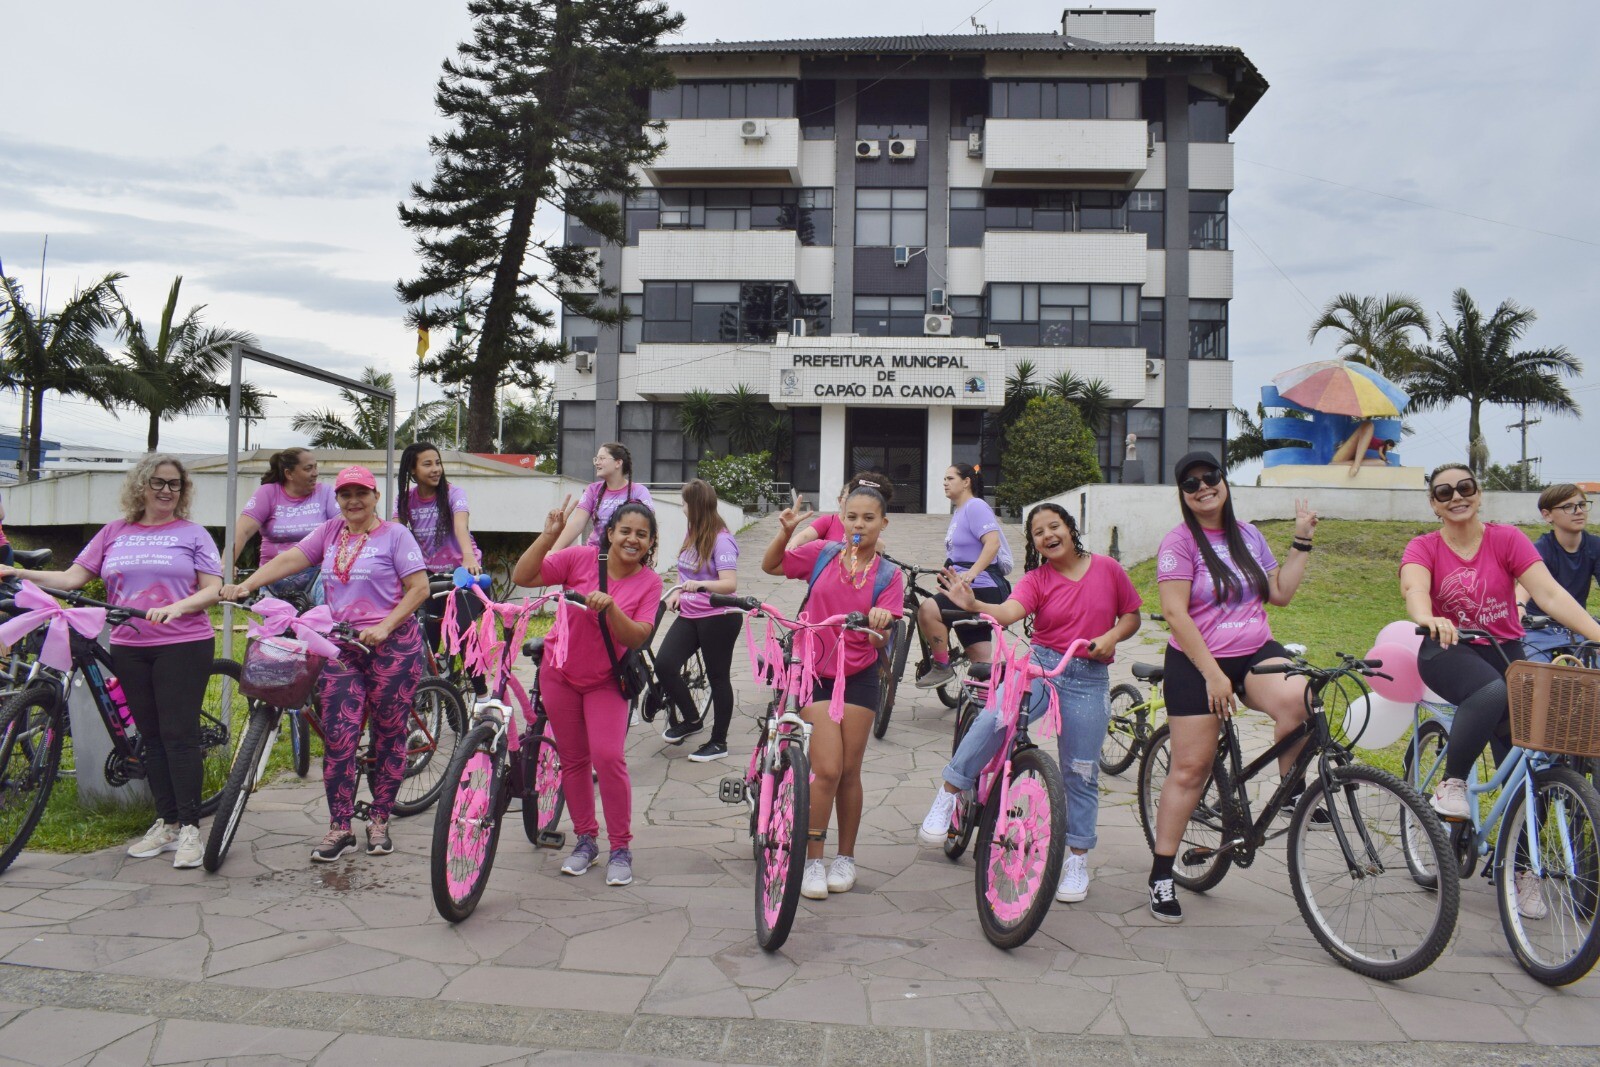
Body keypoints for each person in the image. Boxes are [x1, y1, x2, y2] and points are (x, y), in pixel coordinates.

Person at [2, 455, 222, 869]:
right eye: (158, 482)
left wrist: (178, 607)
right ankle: (168, 822)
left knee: (178, 735)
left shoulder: (193, 534)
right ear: (141, 485)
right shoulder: (114, 532)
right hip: (128, 643)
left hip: (183, 642)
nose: (167, 491)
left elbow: (213, 588)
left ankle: (192, 828)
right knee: (152, 737)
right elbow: (72, 578)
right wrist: (15, 573)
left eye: (175, 485)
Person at [920, 503, 1140, 903]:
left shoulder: (1108, 569)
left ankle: (1076, 859)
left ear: (1070, 529)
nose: (1048, 535)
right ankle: (950, 791)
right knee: (995, 717)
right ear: (1035, 543)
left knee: (1081, 771)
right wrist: (974, 605)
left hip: (1089, 677)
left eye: (1054, 526)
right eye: (1039, 532)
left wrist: (1112, 637)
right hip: (1041, 665)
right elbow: (1009, 611)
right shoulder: (1038, 578)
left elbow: (1131, 616)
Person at [222, 465, 429, 862]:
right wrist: (246, 584)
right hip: (342, 646)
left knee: (389, 732)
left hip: (392, 646)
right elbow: (291, 559)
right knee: (339, 737)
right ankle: (340, 827)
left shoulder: (396, 536)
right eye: (346, 494)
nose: (354, 501)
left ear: (375, 497)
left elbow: (418, 588)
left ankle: (380, 818)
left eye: (362, 493)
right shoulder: (331, 532)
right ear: (337, 499)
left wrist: (386, 627)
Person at [1148, 452, 1318, 924]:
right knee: (1190, 769)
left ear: (1223, 482)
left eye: (1210, 477)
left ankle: (1292, 796)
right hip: (1195, 659)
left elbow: (1279, 593)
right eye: (1191, 484)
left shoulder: (1248, 535)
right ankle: (1162, 872)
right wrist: (1213, 674)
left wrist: (1301, 540)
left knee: (1302, 698)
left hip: (1253, 650)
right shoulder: (1178, 543)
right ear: (1183, 495)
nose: (1203, 487)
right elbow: (1176, 614)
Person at [1400, 466, 1600, 847]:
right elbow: (1414, 587)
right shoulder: (1424, 546)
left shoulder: (1506, 538)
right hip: (1447, 648)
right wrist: (1428, 618)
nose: (1456, 497)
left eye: (1465, 487)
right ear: (1433, 505)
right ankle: (1453, 782)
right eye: (1444, 493)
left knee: (1531, 764)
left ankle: (1522, 868)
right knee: (1492, 690)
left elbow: (1552, 595)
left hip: (1505, 651)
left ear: (1478, 493)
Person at [513, 497, 663, 887]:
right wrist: (547, 538)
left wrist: (611, 608)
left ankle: (620, 847)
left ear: (650, 543)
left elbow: (639, 636)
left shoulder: (650, 582)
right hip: (559, 673)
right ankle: (585, 840)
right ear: (610, 532)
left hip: (606, 681)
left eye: (642, 535)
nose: (633, 540)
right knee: (574, 760)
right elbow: (524, 576)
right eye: (625, 531)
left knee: (608, 758)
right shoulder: (580, 557)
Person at [763, 485, 903, 900]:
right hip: (815, 670)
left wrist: (880, 624)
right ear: (843, 518)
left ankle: (846, 858)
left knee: (850, 772)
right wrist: (784, 533)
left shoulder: (888, 575)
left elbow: (882, 641)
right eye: (852, 517)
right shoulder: (821, 554)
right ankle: (812, 860)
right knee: (826, 768)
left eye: (868, 518)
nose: (859, 525)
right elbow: (772, 565)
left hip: (859, 674)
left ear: (883, 523)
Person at [394, 442, 489, 705]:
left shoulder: (453, 493)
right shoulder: (405, 500)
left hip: (463, 576)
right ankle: (432, 695)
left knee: (462, 632)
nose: (436, 469)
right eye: (427, 464)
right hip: (430, 579)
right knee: (427, 641)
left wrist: (468, 557)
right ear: (412, 471)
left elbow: (461, 525)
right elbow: (396, 534)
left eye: (438, 462)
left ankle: (482, 696)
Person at [656, 479, 742, 760]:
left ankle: (719, 742)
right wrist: (679, 592)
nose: (681, 508)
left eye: (683, 503)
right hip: (690, 614)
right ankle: (692, 720)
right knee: (665, 664)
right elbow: (685, 572)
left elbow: (729, 584)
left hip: (719, 617)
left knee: (719, 678)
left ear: (695, 506)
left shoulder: (722, 539)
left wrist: (702, 586)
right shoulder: (693, 532)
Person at [917, 463, 1012, 688]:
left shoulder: (975, 506)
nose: (945, 483)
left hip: (982, 586)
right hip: (964, 588)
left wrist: (971, 574)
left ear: (967, 481)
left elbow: (993, 543)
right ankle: (990, 707)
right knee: (980, 662)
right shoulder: (960, 512)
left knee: (928, 611)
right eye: (944, 479)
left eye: (950, 478)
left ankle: (941, 666)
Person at [233, 448, 338, 605]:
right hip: (273, 576)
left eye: (316, 467)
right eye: (308, 468)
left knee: (319, 627)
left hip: (315, 576)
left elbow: (344, 528)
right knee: (275, 629)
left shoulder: (325, 492)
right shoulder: (268, 493)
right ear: (289, 474)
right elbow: (242, 531)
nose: (315, 473)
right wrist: (225, 564)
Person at [1518, 483, 1600, 659]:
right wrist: (1518, 606)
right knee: (1535, 675)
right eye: (1568, 507)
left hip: (1577, 625)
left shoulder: (1595, 546)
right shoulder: (1540, 549)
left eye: (1582, 505)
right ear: (1547, 515)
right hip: (1539, 627)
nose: (1578, 511)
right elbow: (1523, 589)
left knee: (1592, 675)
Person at [553, 442, 654, 550]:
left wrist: (653, 555)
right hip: (595, 553)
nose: (597, 463)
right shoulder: (593, 489)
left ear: (618, 463)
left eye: (602, 458)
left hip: (625, 554)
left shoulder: (639, 491)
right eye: (596, 459)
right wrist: (553, 551)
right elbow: (577, 524)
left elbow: (650, 525)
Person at [789, 471, 894, 549]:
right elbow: (805, 536)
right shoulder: (828, 521)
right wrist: (792, 542)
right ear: (840, 500)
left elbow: (879, 544)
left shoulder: (865, 525)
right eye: (849, 497)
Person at [1330, 420, 1395, 477]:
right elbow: (1380, 453)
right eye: (1390, 447)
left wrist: (1385, 461)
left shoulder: (1379, 446)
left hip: (1348, 458)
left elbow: (1381, 456)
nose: (1389, 449)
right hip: (1343, 456)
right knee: (1369, 425)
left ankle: (1337, 464)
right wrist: (1386, 459)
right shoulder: (1382, 444)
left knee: (1381, 463)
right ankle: (1356, 465)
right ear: (1388, 444)